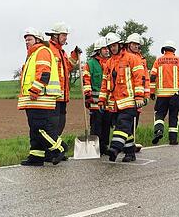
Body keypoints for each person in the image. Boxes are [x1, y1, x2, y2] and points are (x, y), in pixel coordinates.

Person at [17, 29, 62, 166]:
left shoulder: (42, 51)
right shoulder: (33, 54)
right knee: (34, 129)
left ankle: (59, 148)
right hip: (32, 99)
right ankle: (36, 156)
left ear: (38, 39)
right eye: (25, 40)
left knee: (40, 128)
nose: (26, 42)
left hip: (40, 97)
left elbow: (44, 73)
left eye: (29, 39)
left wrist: (35, 89)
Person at [99, 34, 146, 162]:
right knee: (125, 130)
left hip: (129, 101)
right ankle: (130, 153)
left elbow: (139, 79)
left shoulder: (132, 59)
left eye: (114, 46)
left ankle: (114, 148)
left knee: (122, 125)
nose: (112, 49)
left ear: (120, 45)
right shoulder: (109, 63)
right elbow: (104, 83)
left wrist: (139, 97)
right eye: (110, 47)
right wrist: (102, 100)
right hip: (114, 103)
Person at [45, 22, 80, 161]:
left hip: (62, 95)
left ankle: (55, 149)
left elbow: (68, 67)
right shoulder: (48, 50)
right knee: (53, 125)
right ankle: (50, 152)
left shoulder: (61, 51)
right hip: (53, 95)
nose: (66, 38)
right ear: (55, 36)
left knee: (60, 123)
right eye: (64, 35)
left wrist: (75, 55)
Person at [150, 40, 179, 145]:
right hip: (175, 95)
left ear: (164, 50)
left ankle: (158, 130)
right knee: (174, 116)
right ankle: (173, 139)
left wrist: (152, 92)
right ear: (173, 50)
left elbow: (152, 76)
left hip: (162, 95)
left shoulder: (158, 61)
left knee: (159, 114)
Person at [82, 37, 110, 155]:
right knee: (96, 125)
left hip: (108, 101)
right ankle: (95, 148)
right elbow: (86, 80)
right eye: (104, 49)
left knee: (107, 125)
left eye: (107, 48)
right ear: (98, 50)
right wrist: (88, 95)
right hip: (94, 100)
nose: (107, 51)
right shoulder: (91, 64)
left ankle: (104, 147)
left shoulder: (111, 62)